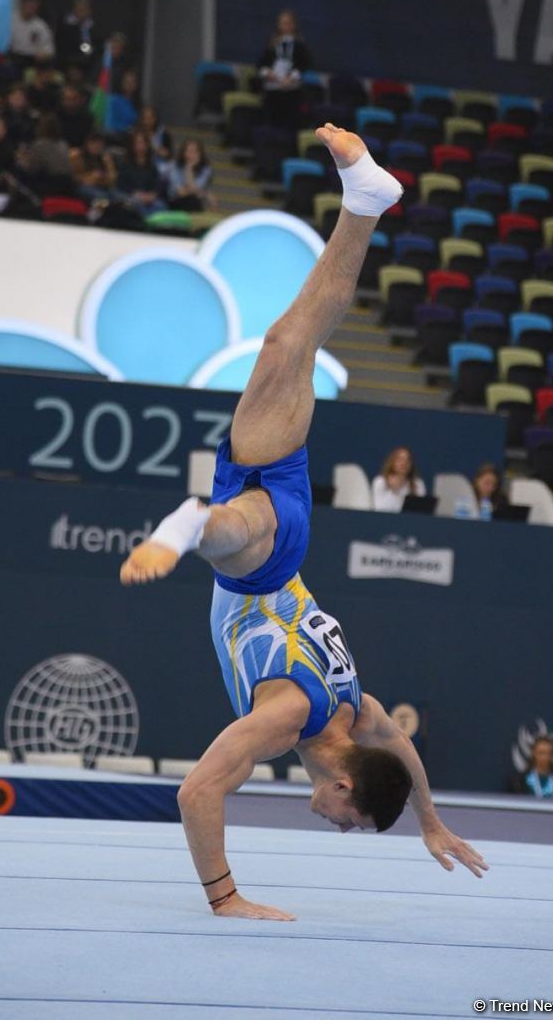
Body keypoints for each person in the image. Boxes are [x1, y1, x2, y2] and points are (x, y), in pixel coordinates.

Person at [120, 123, 488, 920]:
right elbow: (196, 791)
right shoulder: (289, 717)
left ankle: (364, 205)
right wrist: (225, 898)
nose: (337, 828)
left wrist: (429, 820)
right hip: (260, 556)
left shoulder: (357, 712)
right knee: (230, 528)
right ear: (341, 783)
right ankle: (189, 523)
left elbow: (401, 752)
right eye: (351, 823)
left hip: (284, 542)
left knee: (292, 339)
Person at [258, 9, 312, 131]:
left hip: (291, 90)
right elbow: (261, 64)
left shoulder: (299, 45)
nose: (285, 26)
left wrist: (291, 77)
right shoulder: (272, 44)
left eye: (288, 23)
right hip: (272, 88)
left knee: (290, 122)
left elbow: (305, 63)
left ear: (294, 25)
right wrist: (268, 73)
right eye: (282, 23)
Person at [116, 128, 164, 215]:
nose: (140, 146)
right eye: (138, 143)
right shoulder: (124, 163)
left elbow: (155, 185)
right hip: (129, 195)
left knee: (161, 206)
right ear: (132, 145)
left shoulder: (152, 165)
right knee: (135, 204)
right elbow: (120, 184)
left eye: (143, 143)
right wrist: (135, 193)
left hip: (147, 197)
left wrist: (151, 195)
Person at [372, 447, 426, 513]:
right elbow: (379, 509)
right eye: (400, 459)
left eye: (408, 460)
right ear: (392, 462)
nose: (404, 463)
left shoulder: (418, 484)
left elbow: (421, 512)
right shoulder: (380, 481)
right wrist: (395, 491)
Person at [166, 138, 213, 211]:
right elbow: (180, 192)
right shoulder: (174, 165)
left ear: (200, 154)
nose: (191, 154)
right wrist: (205, 193)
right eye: (188, 151)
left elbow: (194, 190)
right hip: (174, 201)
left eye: (195, 151)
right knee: (192, 201)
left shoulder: (205, 169)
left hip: (193, 202)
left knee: (193, 200)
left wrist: (189, 169)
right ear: (183, 153)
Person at [11, 0, 55, 67]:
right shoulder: (10, 20)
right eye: (29, 4)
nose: (31, 7)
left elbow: (49, 49)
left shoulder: (41, 25)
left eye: (34, 6)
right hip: (12, 57)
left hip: (31, 60)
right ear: (22, 4)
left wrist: (44, 54)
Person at [72, 129, 117, 201]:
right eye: (93, 143)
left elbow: (112, 178)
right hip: (82, 187)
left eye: (99, 144)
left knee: (122, 199)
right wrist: (91, 176)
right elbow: (73, 178)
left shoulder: (105, 158)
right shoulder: (77, 156)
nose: (96, 146)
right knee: (103, 197)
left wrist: (103, 176)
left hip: (101, 186)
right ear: (87, 144)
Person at [56, 0, 97, 71]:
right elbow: (62, 48)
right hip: (68, 64)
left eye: (85, 8)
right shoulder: (64, 26)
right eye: (79, 8)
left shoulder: (93, 27)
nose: (81, 11)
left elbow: (94, 48)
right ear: (73, 10)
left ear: (90, 11)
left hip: (88, 64)